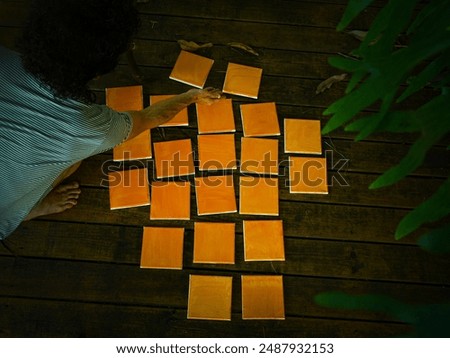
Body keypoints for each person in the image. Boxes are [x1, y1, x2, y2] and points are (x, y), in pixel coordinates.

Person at [0, 0, 222, 240]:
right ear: (97, 72)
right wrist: (192, 96)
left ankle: (21, 208)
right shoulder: (89, 128)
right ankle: (26, 211)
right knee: (73, 163)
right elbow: (151, 117)